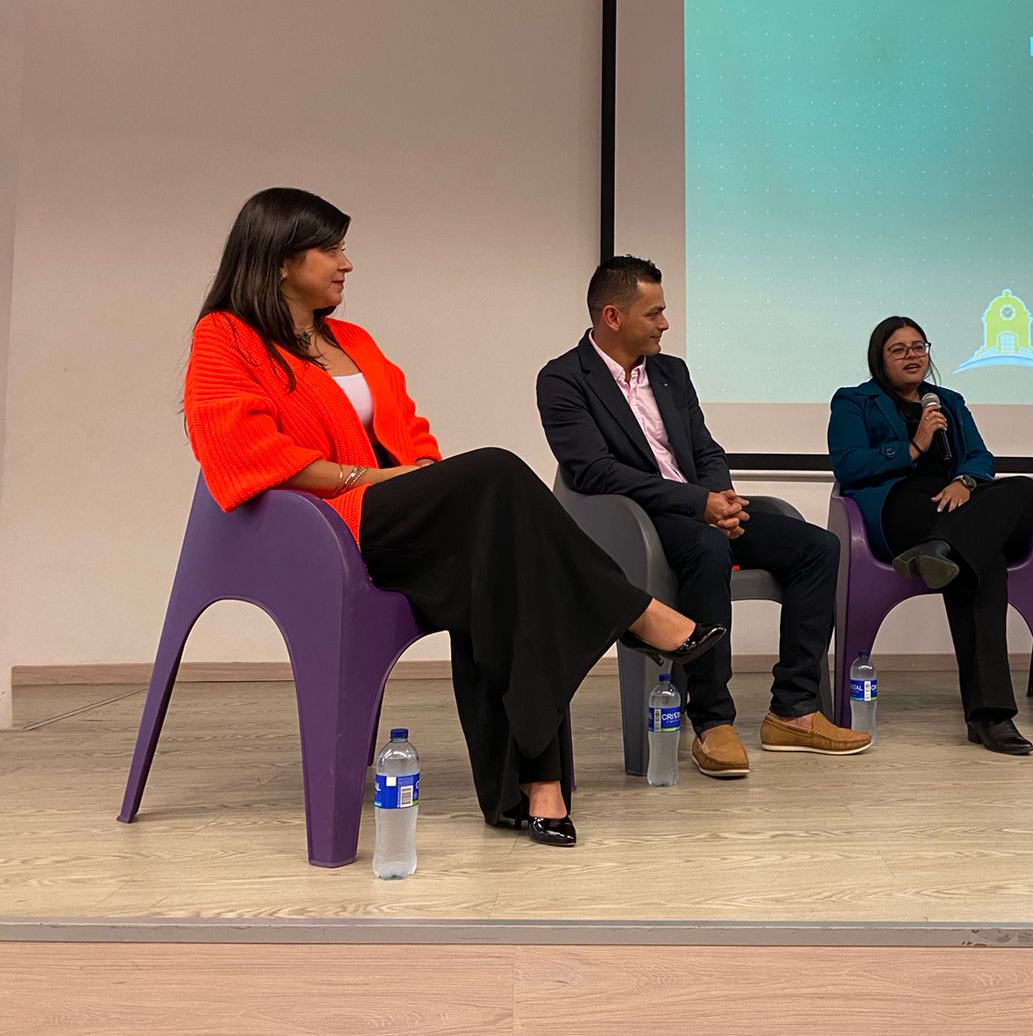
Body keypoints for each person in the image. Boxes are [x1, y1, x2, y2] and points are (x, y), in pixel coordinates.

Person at [184, 189, 725, 849]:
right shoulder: (225, 339)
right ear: (276, 260)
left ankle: (536, 788)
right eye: (329, 248)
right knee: (497, 472)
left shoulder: (351, 340)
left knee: (507, 570)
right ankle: (633, 612)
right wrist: (381, 478)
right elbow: (248, 455)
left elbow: (412, 431)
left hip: (401, 517)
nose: (346, 263)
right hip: (326, 528)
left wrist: (419, 475)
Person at [537, 256, 870, 779]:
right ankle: (713, 719)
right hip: (636, 521)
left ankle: (794, 709)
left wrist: (724, 498)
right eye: (655, 314)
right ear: (612, 317)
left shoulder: (671, 372)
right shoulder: (562, 379)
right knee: (707, 547)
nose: (665, 324)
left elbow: (705, 448)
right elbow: (595, 473)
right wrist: (698, 506)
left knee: (817, 548)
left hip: (701, 510)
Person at [828, 316, 1033, 755]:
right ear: (880, 358)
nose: (913, 356)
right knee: (982, 557)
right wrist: (913, 446)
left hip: (958, 501)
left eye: (919, 346)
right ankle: (992, 716)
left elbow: (980, 456)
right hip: (902, 503)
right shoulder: (854, 401)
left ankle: (943, 549)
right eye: (899, 349)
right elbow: (849, 466)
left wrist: (965, 482)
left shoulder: (949, 399)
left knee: (1023, 488)